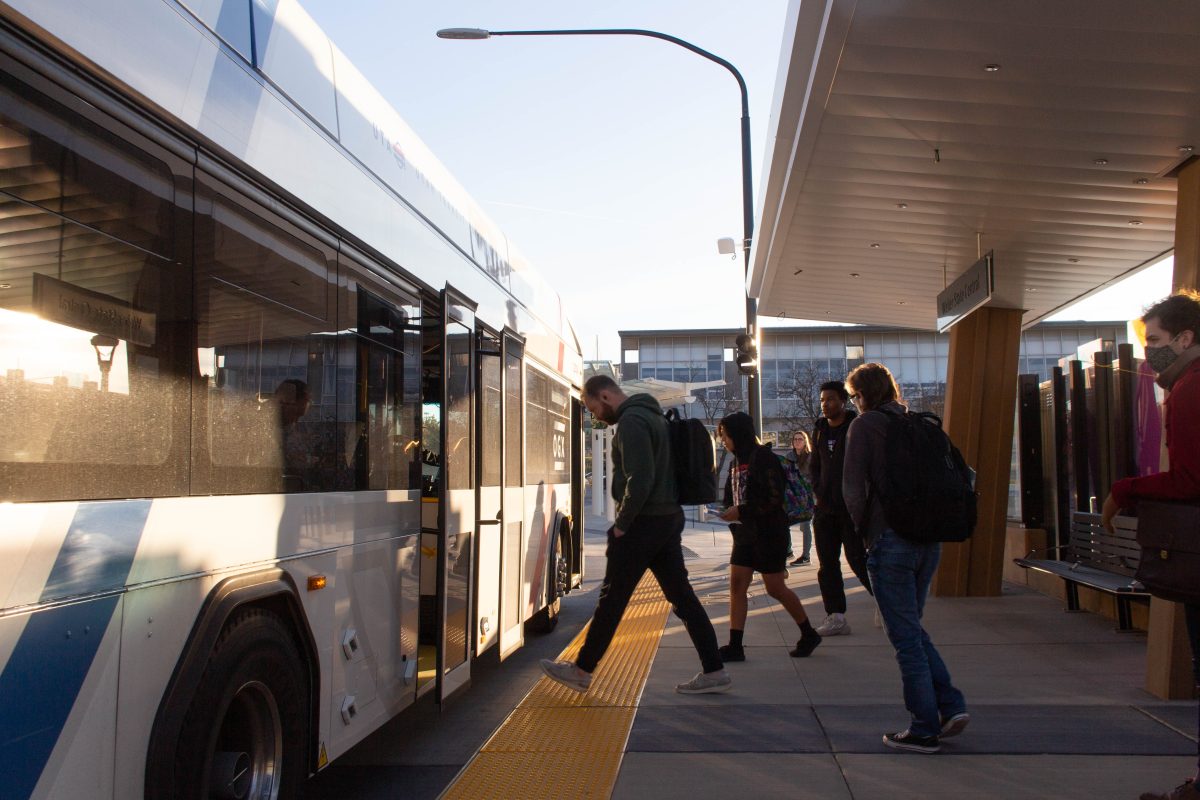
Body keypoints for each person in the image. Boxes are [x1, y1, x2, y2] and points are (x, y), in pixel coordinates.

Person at [540, 375, 731, 695]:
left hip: (644, 523)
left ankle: (582, 670)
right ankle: (714, 669)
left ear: (604, 396)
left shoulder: (632, 422)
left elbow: (639, 479)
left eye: (592, 407)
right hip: (668, 518)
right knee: (683, 598)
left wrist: (623, 523)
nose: (595, 416)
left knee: (612, 599)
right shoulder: (653, 415)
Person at [1100, 290, 1200, 800]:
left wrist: (1126, 490)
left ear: (1185, 338)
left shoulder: (1190, 389)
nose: (1147, 355)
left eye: (1155, 341)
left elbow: (1189, 479)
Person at [843, 362, 968, 754]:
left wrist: (865, 535)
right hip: (928, 540)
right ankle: (949, 705)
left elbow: (852, 489)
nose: (855, 403)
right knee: (911, 629)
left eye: (854, 396)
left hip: (890, 540)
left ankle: (924, 727)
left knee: (904, 640)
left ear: (863, 395)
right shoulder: (919, 424)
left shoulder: (864, 426)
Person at [715, 412, 822, 662]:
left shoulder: (764, 458)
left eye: (726, 436)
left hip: (769, 534)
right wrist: (728, 511)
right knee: (737, 586)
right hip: (745, 534)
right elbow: (733, 497)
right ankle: (735, 645)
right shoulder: (735, 462)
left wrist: (741, 510)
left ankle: (808, 633)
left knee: (775, 587)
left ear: (738, 435)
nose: (724, 441)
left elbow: (773, 500)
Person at [811, 380, 872, 636]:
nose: (826, 404)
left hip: (851, 509)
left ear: (843, 401)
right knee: (827, 565)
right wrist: (817, 491)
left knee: (858, 560)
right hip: (825, 510)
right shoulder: (820, 430)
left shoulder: (855, 428)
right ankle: (835, 616)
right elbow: (816, 464)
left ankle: (886, 601)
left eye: (831, 399)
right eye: (823, 400)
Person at [785, 430, 815, 566]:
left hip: (807, 495)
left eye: (800, 439)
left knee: (805, 525)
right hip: (792, 495)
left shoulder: (810, 457)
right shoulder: (789, 456)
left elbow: (813, 476)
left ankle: (806, 556)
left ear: (805, 441)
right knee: (785, 523)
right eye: (795, 439)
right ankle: (788, 550)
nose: (797, 441)